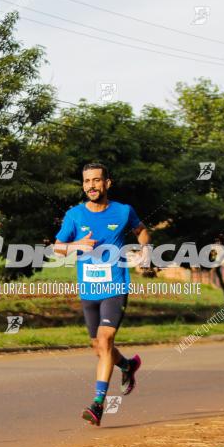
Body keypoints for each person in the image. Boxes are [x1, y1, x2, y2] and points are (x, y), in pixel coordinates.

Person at [53, 163, 149, 426]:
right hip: (88, 289)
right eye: (87, 181)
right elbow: (57, 248)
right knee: (98, 347)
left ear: (108, 183)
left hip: (115, 286)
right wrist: (76, 245)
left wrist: (145, 252)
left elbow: (141, 230)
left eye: (97, 180)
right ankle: (127, 366)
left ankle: (97, 404)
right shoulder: (74, 215)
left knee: (105, 340)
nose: (91, 186)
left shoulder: (123, 211)